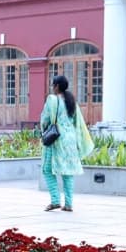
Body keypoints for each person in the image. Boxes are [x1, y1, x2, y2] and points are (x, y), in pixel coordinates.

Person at [40, 75, 94, 212]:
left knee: (47, 169)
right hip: (70, 140)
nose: (52, 88)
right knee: (68, 172)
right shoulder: (72, 102)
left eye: (53, 85)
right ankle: (69, 204)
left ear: (57, 86)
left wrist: (43, 129)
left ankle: (55, 200)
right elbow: (78, 123)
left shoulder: (52, 100)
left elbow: (45, 120)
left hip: (56, 138)